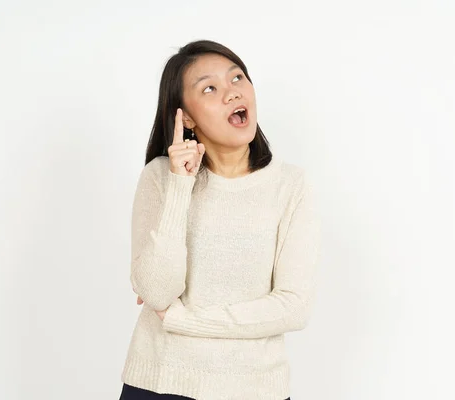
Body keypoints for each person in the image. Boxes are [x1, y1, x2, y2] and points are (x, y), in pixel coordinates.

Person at [118, 39, 321, 400]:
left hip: (256, 390)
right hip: (161, 384)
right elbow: (157, 291)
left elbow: (293, 307)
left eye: (237, 78)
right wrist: (181, 185)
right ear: (187, 117)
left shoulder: (291, 185)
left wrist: (185, 320)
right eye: (209, 88)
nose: (231, 93)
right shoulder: (161, 178)